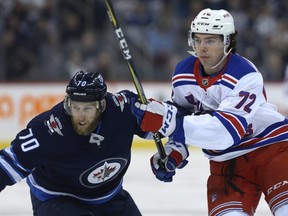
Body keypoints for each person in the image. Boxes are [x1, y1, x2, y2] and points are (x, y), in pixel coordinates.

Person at [131, 8, 288, 216]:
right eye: (198, 40)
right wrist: (173, 153)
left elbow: (225, 133)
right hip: (226, 164)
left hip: (271, 150)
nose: (202, 48)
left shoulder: (245, 75)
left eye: (211, 40)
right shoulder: (182, 74)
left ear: (228, 42)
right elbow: (184, 118)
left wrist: (170, 122)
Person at [0, 70, 147, 216]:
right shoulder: (50, 129)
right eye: (75, 107)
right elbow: (8, 163)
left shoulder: (124, 110)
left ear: (101, 106)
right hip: (57, 198)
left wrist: (170, 153)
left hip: (108, 197)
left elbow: (163, 123)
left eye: (87, 108)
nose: (80, 116)